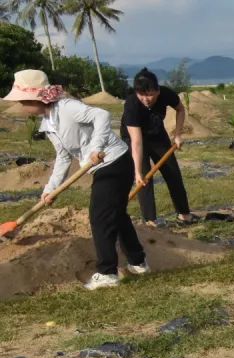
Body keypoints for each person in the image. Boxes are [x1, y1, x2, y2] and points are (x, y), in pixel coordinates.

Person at [5, 69, 147, 291]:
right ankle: (138, 262)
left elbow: (101, 115)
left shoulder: (67, 108)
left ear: (36, 98)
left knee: (100, 217)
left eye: (23, 101)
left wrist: (97, 146)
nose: (22, 106)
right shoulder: (48, 124)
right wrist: (50, 189)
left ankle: (107, 273)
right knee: (115, 215)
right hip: (102, 166)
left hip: (114, 162)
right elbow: (63, 157)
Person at [122, 68, 194, 227]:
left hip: (157, 134)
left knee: (173, 173)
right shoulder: (132, 105)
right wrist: (137, 171)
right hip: (134, 138)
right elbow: (136, 141)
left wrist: (177, 134)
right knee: (144, 179)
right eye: (142, 94)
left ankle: (184, 215)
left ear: (158, 90)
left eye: (150, 94)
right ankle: (150, 221)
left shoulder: (166, 94)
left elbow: (180, 109)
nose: (146, 99)